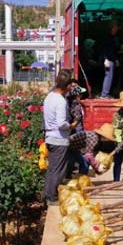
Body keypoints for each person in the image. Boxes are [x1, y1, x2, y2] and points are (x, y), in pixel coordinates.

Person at [43, 71, 77, 205]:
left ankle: (48, 194)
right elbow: (61, 123)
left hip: (50, 137)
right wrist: (72, 125)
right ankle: (52, 197)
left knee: (52, 168)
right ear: (67, 86)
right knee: (58, 170)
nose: (71, 87)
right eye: (70, 85)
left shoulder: (49, 97)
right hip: (59, 139)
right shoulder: (61, 101)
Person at [101, 21, 120, 98]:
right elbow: (104, 49)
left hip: (111, 59)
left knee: (110, 76)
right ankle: (104, 94)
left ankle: (106, 93)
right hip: (108, 60)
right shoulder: (107, 37)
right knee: (108, 76)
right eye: (115, 27)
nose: (116, 29)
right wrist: (105, 59)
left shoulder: (113, 37)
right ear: (112, 28)